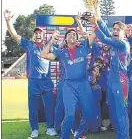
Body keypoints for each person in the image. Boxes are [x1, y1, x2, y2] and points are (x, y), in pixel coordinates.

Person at [4, 10, 57, 138]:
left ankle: (50, 128)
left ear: (43, 36)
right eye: (36, 33)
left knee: (49, 106)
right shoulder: (29, 44)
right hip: (33, 81)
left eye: (40, 33)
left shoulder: (49, 46)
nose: (38, 35)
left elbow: (60, 53)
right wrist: (8, 21)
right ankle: (35, 129)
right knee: (33, 107)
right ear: (34, 36)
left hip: (47, 81)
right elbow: (14, 34)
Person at [40, 29, 95, 139]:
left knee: (89, 115)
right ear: (65, 39)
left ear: (77, 39)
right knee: (69, 115)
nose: (72, 35)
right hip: (69, 86)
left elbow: (94, 34)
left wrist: (95, 17)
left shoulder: (84, 47)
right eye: (69, 34)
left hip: (84, 85)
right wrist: (51, 41)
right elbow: (43, 54)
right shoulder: (61, 52)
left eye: (74, 34)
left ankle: (78, 135)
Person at [91, 16, 130, 139]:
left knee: (121, 112)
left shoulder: (122, 43)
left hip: (121, 82)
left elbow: (103, 37)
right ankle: (119, 135)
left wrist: (94, 24)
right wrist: (98, 16)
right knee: (113, 112)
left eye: (118, 29)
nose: (115, 31)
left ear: (124, 33)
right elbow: (107, 33)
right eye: (114, 29)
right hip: (112, 82)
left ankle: (124, 136)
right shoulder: (114, 42)